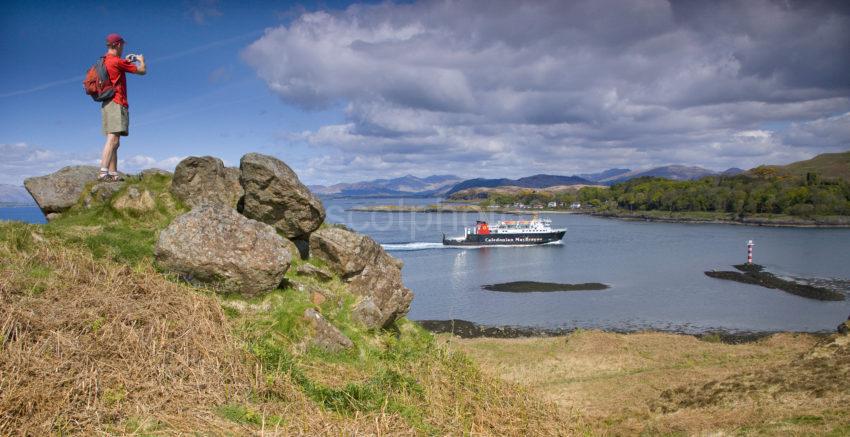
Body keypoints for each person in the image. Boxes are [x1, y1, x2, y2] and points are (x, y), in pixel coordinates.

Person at [98, 33, 146, 181]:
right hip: (117, 102)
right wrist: (140, 60)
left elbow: (115, 69)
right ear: (118, 45)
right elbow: (142, 71)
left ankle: (113, 173)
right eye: (123, 45)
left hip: (106, 103)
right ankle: (103, 173)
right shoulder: (117, 61)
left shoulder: (105, 60)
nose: (124, 47)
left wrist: (125, 61)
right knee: (112, 139)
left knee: (115, 141)